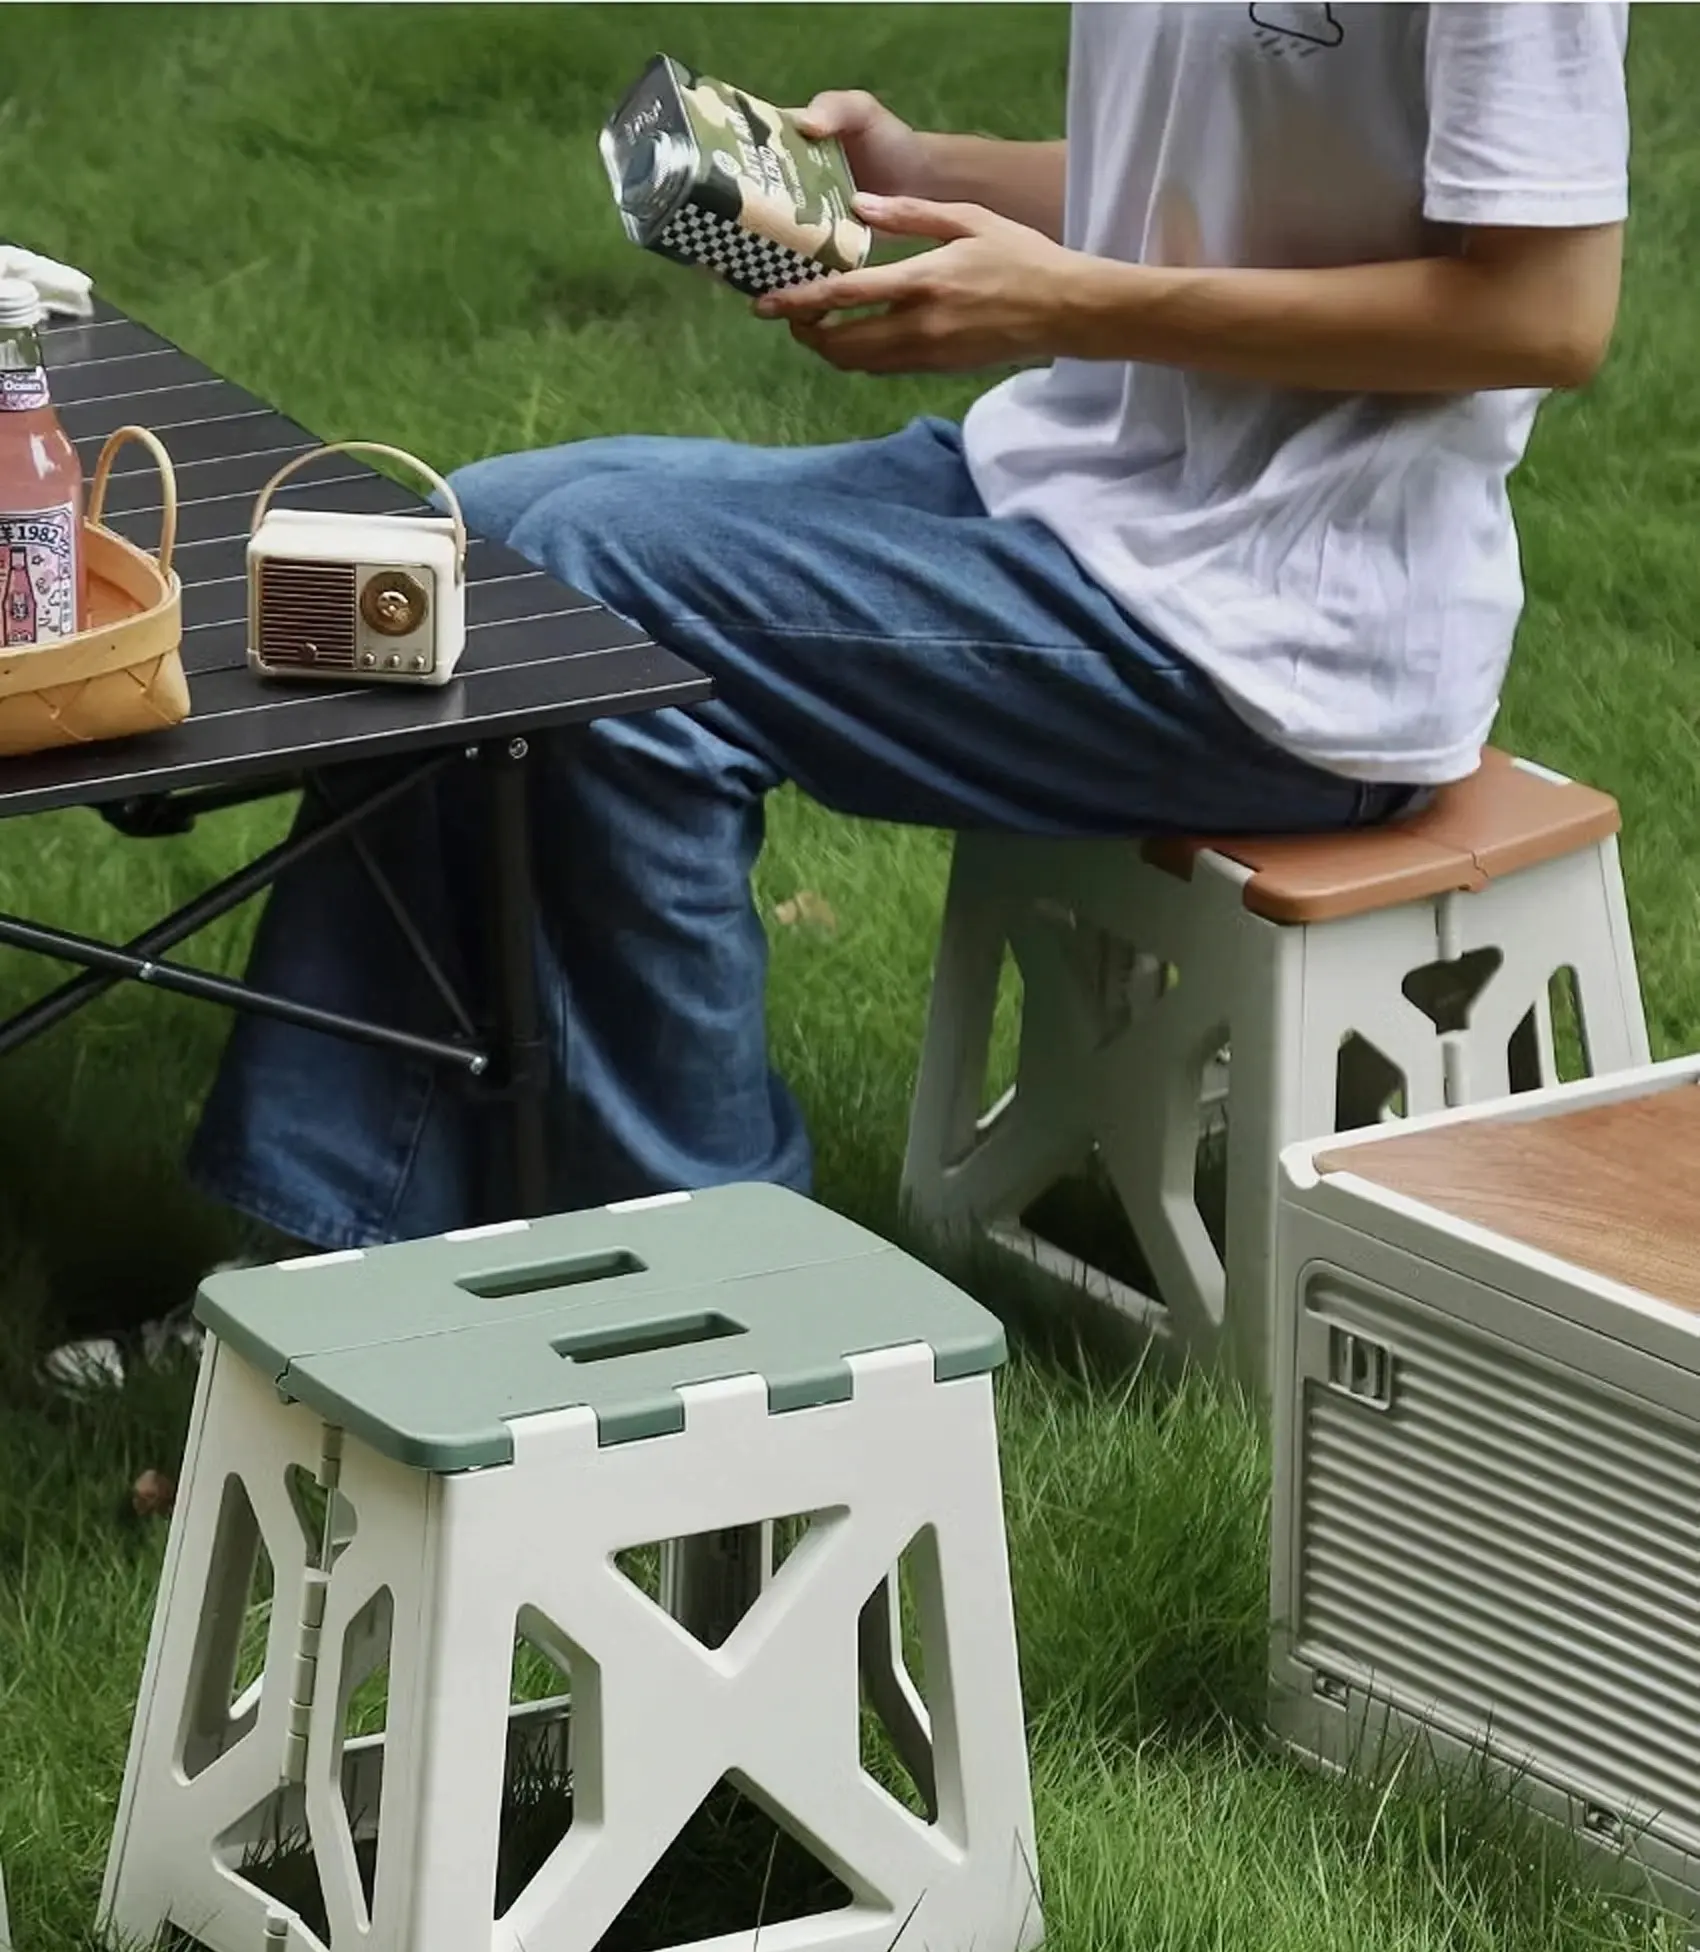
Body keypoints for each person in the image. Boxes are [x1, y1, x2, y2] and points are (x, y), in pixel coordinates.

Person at [164, 6, 1643, 1275]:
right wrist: (926, 173)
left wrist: (1074, 306)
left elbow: (1545, 308)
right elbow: (1218, 172)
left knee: (601, 594)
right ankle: (335, 1263)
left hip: (1284, 631)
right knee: (470, 537)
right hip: (1075, 499)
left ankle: (715, 1322)